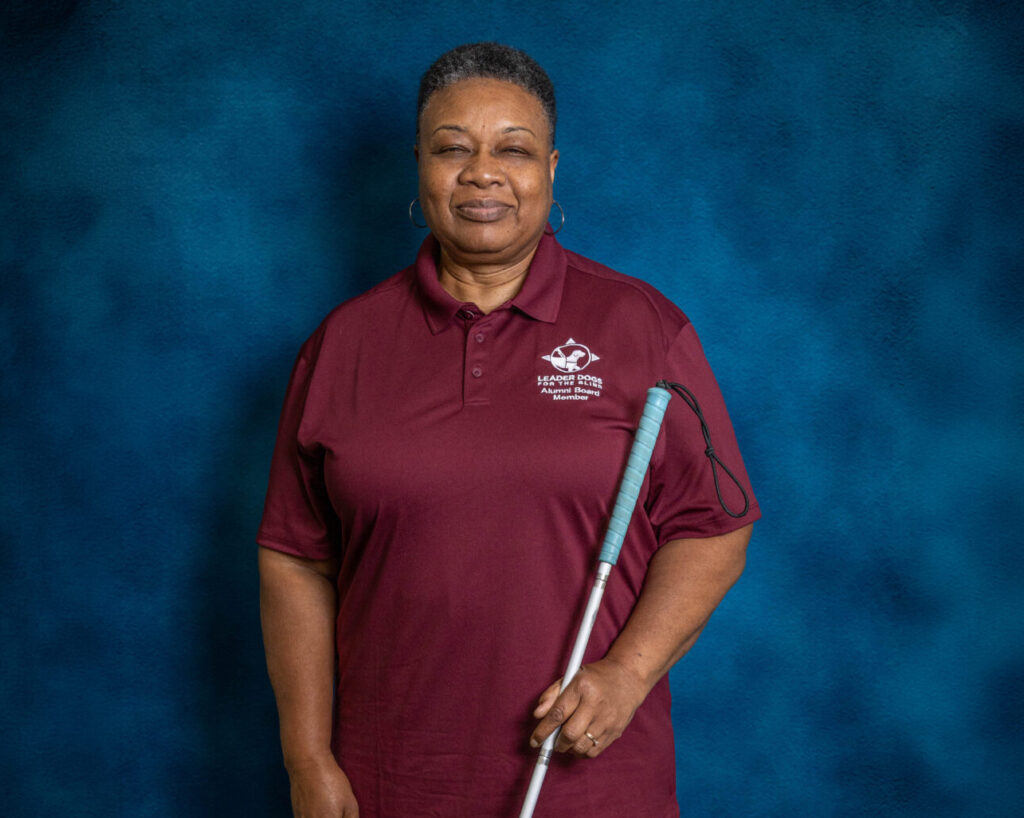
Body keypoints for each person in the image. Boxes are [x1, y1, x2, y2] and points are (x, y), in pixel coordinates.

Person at [258, 42, 760, 818]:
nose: (482, 172)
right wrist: (307, 757)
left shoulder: (642, 328)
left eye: (513, 149)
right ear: (419, 167)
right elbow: (295, 560)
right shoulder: (343, 344)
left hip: (589, 783)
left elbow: (714, 528)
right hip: (387, 785)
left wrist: (627, 673)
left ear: (551, 169)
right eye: (452, 148)